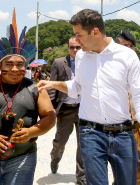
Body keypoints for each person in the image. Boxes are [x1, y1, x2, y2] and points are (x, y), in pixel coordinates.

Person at [36, 9, 140, 185]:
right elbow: (77, 87)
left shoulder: (127, 56)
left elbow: (138, 94)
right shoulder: (82, 56)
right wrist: (53, 84)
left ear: (95, 32)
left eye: (79, 35)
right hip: (90, 132)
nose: (76, 41)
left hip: (123, 133)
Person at [0, 8, 56, 185]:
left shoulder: (36, 88)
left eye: (20, 64)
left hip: (23, 157)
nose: (15, 69)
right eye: (9, 64)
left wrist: (31, 132)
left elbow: (50, 116)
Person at [48, 36, 86, 184]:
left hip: (84, 109)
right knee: (60, 140)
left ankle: (81, 177)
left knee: (83, 143)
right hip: (65, 109)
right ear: (68, 47)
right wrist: (51, 109)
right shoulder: (59, 62)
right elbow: (52, 85)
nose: (75, 50)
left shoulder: (89, 61)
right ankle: (54, 158)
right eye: (72, 47)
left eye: (78, 47)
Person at [116, 30, 140, 184]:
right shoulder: (112, 69)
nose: (125, 49)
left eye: (128, 46)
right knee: (121, 163)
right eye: (122, 46)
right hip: (120, 124)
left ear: (134, 49)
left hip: (137, 123)